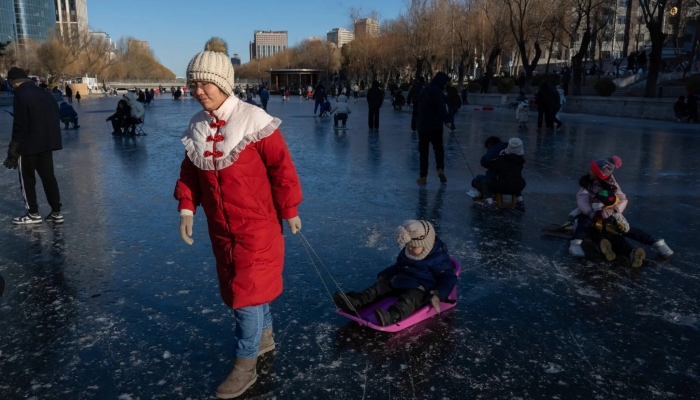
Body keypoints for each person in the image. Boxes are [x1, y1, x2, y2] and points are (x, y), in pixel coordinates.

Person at [174, 38, 302, 399]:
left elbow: (281, 168)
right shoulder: (198, 125)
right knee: (249, 287)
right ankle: (264, 338)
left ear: (224, 83)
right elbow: (189, 172)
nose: (199, 91)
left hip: (258, 226)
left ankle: (245, 363)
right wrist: (187, 207)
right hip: (222, 229)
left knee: (245, 294)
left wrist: (289, 209)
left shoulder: (253, 121)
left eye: (205, 83)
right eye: (193, 84)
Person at [332, 220, 457, 326]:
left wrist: (438, 294)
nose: (410, 248)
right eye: (408, 245)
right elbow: (399, 266)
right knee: (379, 288)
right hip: (401, 280)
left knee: (409, 300)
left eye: (414, 247)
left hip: (421, 288)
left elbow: (448, 278)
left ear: (426, 245)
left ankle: (392, 316)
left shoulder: (438, 259)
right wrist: (386, 274)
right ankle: (356, 301)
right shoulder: (407, 252)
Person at [568, 156, 673, 265]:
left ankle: (657, 243)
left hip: (609, 213)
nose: (589, 172)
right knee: (586, 223)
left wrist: (614, 211)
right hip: (592, 213)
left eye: (592, 170)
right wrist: (590, 212)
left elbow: (622, 199)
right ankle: (576, 243)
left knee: (624, 229)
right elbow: (582, 199)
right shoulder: (587, 183)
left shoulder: (612, 185)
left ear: (600, 174)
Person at [2, 67, 64, 225]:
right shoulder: (45, 94)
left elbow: (20, 125)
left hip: (28, 145)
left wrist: (13, 149)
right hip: (47, 143)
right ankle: (56, 212)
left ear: (13, 82)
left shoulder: (21, 95)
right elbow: (51, 115)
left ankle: (33, 213)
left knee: (27, 180)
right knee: (48, 178)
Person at [471, 138, 526, 211]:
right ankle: (520, 201)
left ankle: (489, 202)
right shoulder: (520, 161)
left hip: (502, 186)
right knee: (515, 181)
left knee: (486, 183)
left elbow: (491, 166)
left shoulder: (502, 159)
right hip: (519, 186)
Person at [416, 72, 451, 184]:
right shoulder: (438, 92)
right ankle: (440, 168)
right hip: (436, 126)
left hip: (423, 126)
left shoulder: (425, 90)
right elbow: (441, 107)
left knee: (423, 151)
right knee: (438, 149)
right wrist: (447, 120)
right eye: (445, 83)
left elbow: (418, 106)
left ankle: (423, 176)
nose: (446, 85)